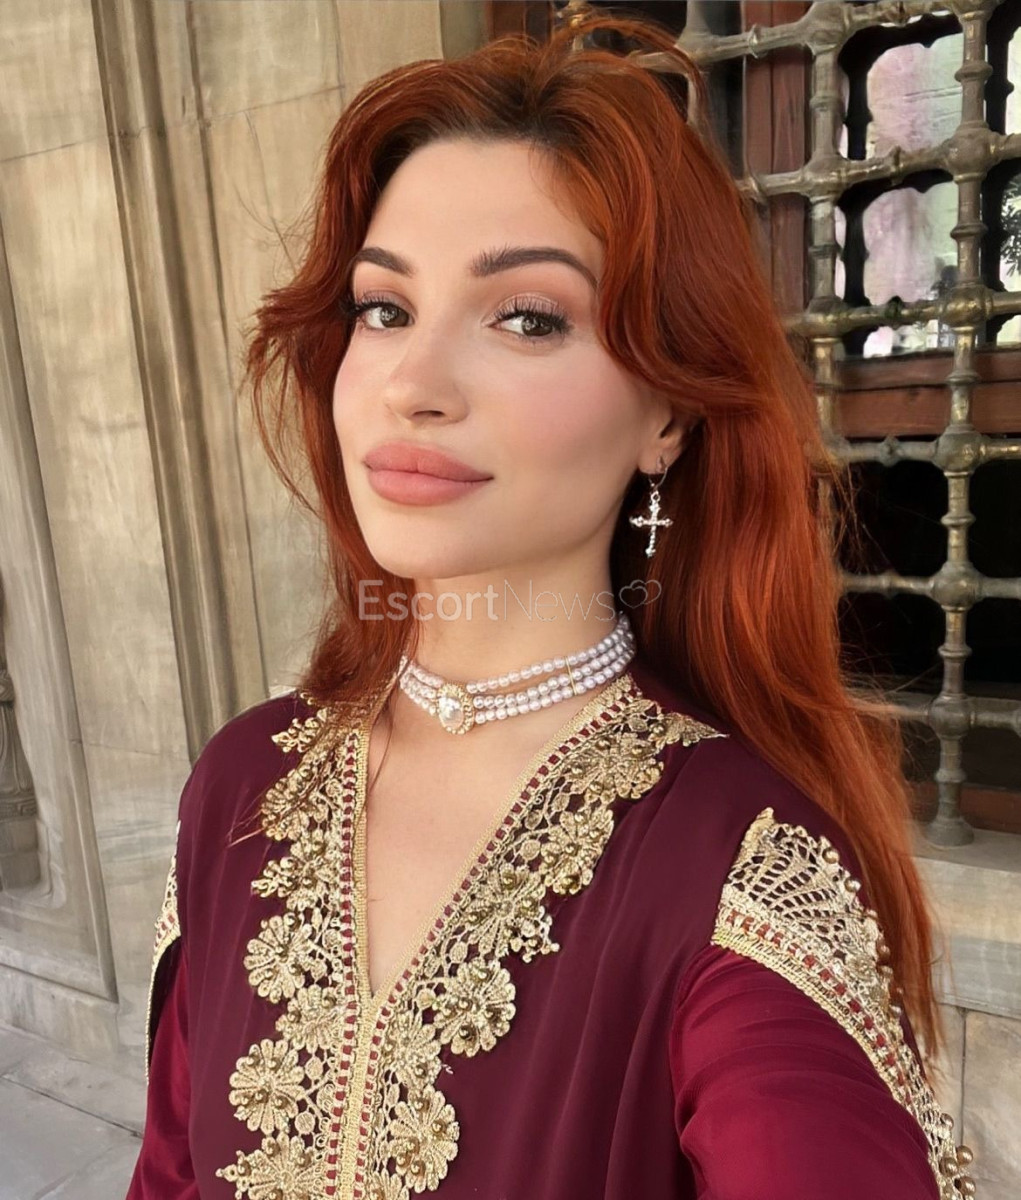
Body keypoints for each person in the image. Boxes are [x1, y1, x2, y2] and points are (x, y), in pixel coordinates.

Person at [126, 10, 976, 1199]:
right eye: (383, 309)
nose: (413, 384)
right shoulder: (240, 784)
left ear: (666, 413)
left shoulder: (734, 864)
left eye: (527, 317)